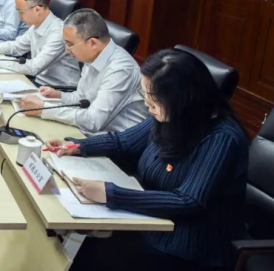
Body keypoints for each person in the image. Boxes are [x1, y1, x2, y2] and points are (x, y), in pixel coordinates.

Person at [46, 49, 248, 271]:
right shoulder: (172, 116)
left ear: (182, 100)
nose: (147, 106)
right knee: (69, 238)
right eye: (146, 96)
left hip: (188, 246)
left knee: (87, 250)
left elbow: (189, 201)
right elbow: (123, 142)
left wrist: (111, 194)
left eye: (154, 100)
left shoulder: (222, 138)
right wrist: (78, 146)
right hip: (150, 222)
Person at [18, 8, 147, 135]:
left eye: (70, 44)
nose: (67, 50)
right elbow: (81, 98)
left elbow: (93, 121)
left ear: (93, 43)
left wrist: (43, 108)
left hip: (113, 142)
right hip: (88, 131)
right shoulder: (93, 56)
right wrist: (58, 95)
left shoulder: (120, 70)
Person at [0, 0, 79, 88]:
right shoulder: (35, 26)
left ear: (37, 9)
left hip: (59, 90)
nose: (19, 16)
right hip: (39, 83)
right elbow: (16, 46)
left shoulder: (59, 32)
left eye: (21, 11)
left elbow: (33, 67)